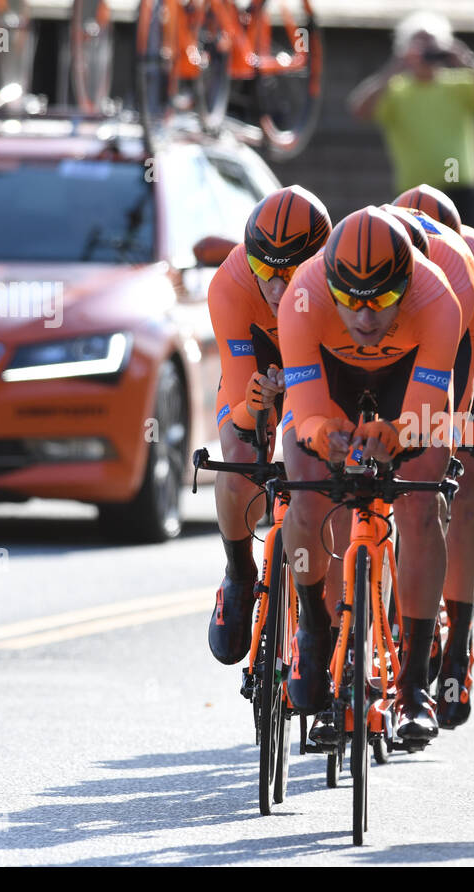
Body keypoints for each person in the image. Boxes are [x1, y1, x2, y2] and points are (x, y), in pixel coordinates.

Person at [278, 206, 462, 742]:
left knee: (423, 506)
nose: (364, 317)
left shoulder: (438, 299)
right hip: (330, 381)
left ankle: (412, 687)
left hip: (405, 384)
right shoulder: (303, 298)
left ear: (404, 286)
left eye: (381, 300)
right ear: (329, 285)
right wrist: (323, 435)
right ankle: (314, 630)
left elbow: (426, 415)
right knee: (307, 496)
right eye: (350, 301)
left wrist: (398, 434)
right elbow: (308, 412)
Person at [393, 183, 474, 729]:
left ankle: (459, 639)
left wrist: (453, 437)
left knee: (466, 477)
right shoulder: (381, 261)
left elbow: (466, 368)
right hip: (406, 343)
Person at [205, 185, 331, 669]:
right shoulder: (230, 284)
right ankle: (238, 573)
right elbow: (239, 397)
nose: (276, 288)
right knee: (240, 454)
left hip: (317, 369)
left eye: (291, 273)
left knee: (328, 478)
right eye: (264, 271)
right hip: (258, 367)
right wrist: (253, 406)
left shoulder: (334, 281)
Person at [346, 10, 474, 231]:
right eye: (420, 44)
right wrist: (394, 67)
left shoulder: (460, 85)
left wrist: (469, 60)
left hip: (460, 190)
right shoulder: (395, 91)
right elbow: (358, 109)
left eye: (432, 44)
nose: (427, 51)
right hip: (413, 195)